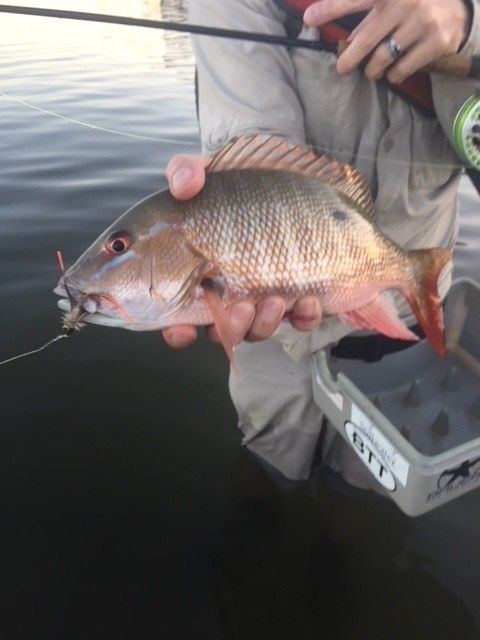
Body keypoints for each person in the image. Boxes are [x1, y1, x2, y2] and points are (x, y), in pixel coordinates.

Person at [163, 0, 479, 489]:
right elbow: (261, 156)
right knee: (269, 484)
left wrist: (466, 18)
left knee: (371, 503)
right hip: (277, 348)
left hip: (405, 325)